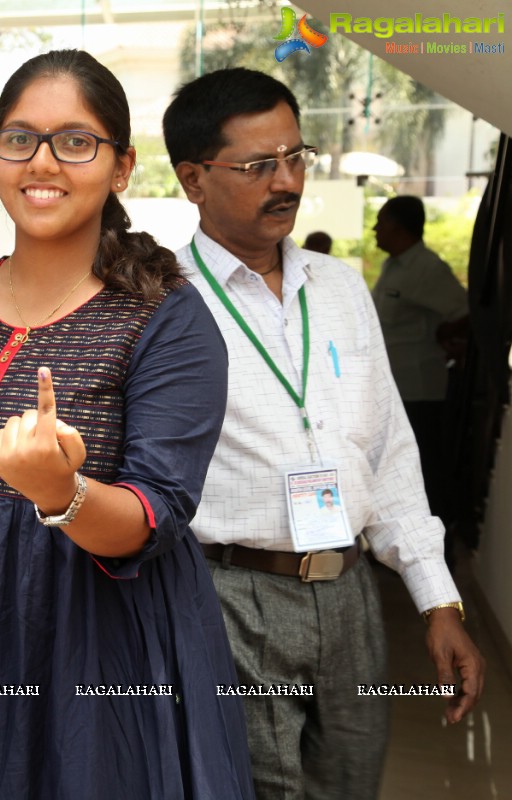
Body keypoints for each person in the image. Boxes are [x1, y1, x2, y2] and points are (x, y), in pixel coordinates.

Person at [0, 49, 254, 799]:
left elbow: (155, 514)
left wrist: (63, 494)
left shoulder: (166, 317)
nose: (43, 162)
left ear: (121, 167)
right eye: (19, 139)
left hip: (91, 652)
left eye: (76, 141)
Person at [162, 67, 485, 800]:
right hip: (231, 594)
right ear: (193, 179)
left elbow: (390, 453)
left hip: (350, 595)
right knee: (262, 789)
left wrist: (438, 600)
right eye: (257, 166)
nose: (287, 182)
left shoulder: (339, 287)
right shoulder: (160, 298)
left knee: (350, 783)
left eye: (296, 157)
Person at [373, 195, 469, 529]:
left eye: (381, 221)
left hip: (421, 390)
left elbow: (466, 312)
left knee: (426, 470)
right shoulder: (392, 265)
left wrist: (444, 333)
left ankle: (440, 549)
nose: (375, 229)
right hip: (396, 388)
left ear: (398, 227)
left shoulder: (427, 267)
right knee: (397, 470)